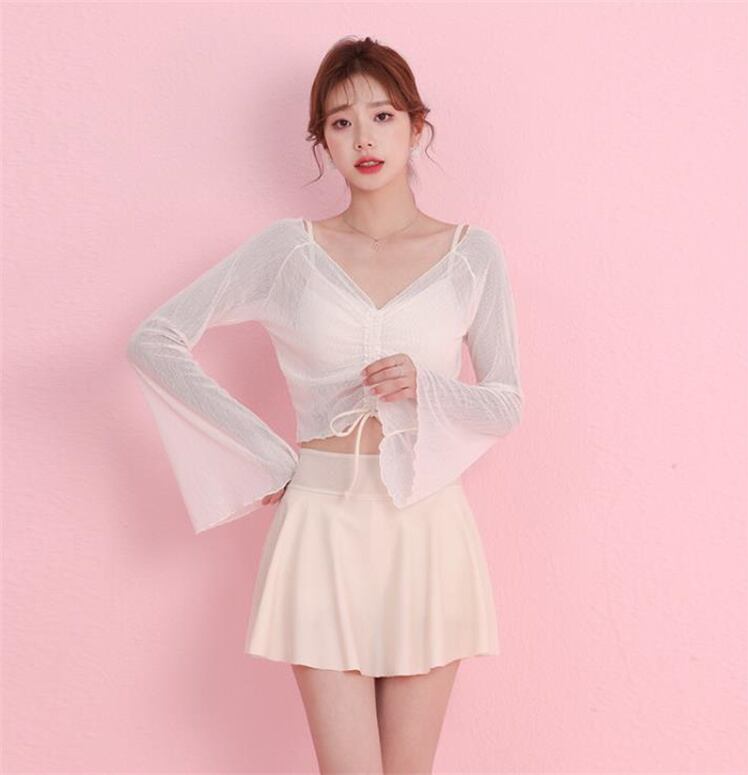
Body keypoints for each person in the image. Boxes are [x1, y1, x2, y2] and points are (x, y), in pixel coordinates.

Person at [126, 35, 523, 775]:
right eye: (341, 122)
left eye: (382, 115)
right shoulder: (290, 252)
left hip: (427, 528)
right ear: (322, 141)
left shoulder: (471, 254)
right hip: (322, 526)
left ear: (416, 125)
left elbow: (506, 403)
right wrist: (265, 453)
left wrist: (428, 386)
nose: (364, 138)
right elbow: (157, 339)